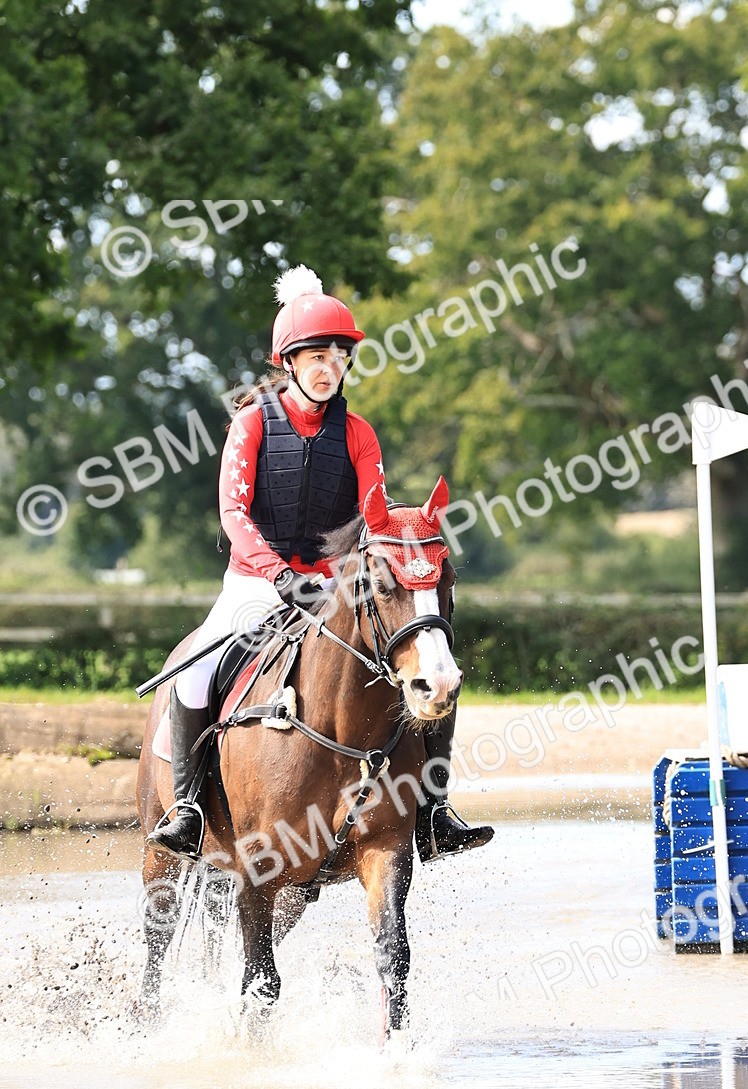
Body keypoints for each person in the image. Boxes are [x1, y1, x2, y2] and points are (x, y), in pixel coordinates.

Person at [148, 265, 494, 864]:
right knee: (192, 674)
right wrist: (280, 575)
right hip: (256, 582)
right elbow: (233, 513)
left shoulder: (359, 434)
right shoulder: (252, 423)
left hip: (336, 587)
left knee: (429, 670)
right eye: (316, 355)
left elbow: (374, 518)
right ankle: (187, 808)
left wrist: (360, 569)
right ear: (289, 361)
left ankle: (435, 809)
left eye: (339, 355)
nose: (329, 366)